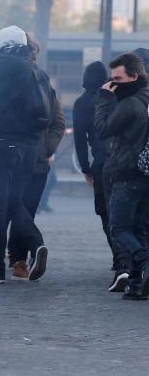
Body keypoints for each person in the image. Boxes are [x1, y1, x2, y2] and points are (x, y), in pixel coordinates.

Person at [0, 25, 51, 284]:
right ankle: (35, 241)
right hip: (29, 148)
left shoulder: (4, 66)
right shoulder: (36, 71)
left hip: (2, 144)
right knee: (14, 201)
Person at [7, 37, 64, 280]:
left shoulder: (12, 78)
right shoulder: (45, 83)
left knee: (10, 205)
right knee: (24, 209)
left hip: (16, 156)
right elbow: (58, 122)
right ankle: (18, 259)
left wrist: (47, 149)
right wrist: (47, 150)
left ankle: (24, 252)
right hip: (38, 159)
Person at [94, 53, 149, 300]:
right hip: (145, 170)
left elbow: (103, 129)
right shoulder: (146, 97)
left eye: (118, 78)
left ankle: (144, 263)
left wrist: (104, 98)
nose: (113, 83)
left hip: (127, 172)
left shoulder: (130, 104)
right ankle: (137, 285)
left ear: (134, 76)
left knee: (119, 228)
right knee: (139, 228)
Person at [73, 61, 128, 290]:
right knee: (125, 214)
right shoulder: (117, 97)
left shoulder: (82, 103)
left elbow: (78, 139)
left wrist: (85, 168)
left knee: (106, 214)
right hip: (123, 159)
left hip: (101, 163)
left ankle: (120, 261)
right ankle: (128, 260)